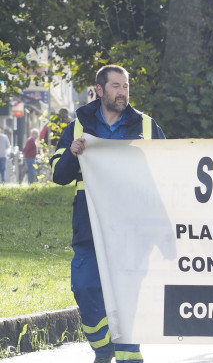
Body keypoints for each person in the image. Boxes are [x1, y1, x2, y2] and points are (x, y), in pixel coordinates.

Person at [50, 65, 166, 363]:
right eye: (116, 86)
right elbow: (59, 176)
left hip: (132, 227)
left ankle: (129, 356)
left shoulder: (147, 126)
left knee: (129, 294)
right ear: (99, 90)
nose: (122, 92)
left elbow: (167, 172)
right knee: (85, 286)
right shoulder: (78, 126)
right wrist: (72, 153)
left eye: (126, 86)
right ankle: (103, 346)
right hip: (90, 224)